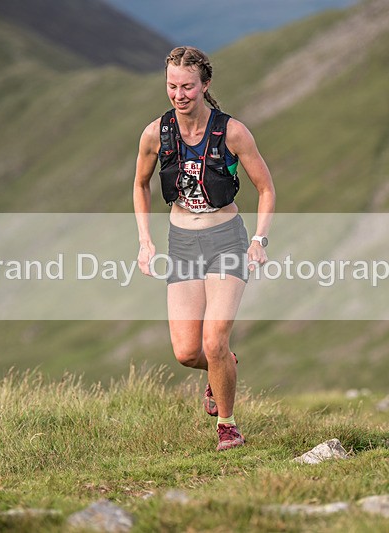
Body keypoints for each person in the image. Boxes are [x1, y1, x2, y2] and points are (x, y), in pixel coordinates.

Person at [133, 46, 276, 451]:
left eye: (188, 87)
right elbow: (140, 184)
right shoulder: (154, 134)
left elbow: (266, 189)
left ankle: (228, 427)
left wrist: (259, 240)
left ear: (205, 85)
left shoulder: (232, 132)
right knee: (187, 352)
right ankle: (224, 367)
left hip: (226, 238)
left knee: (214, 341)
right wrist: (145, 241)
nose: (179, 95)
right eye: (172, 86)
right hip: (181, 243)